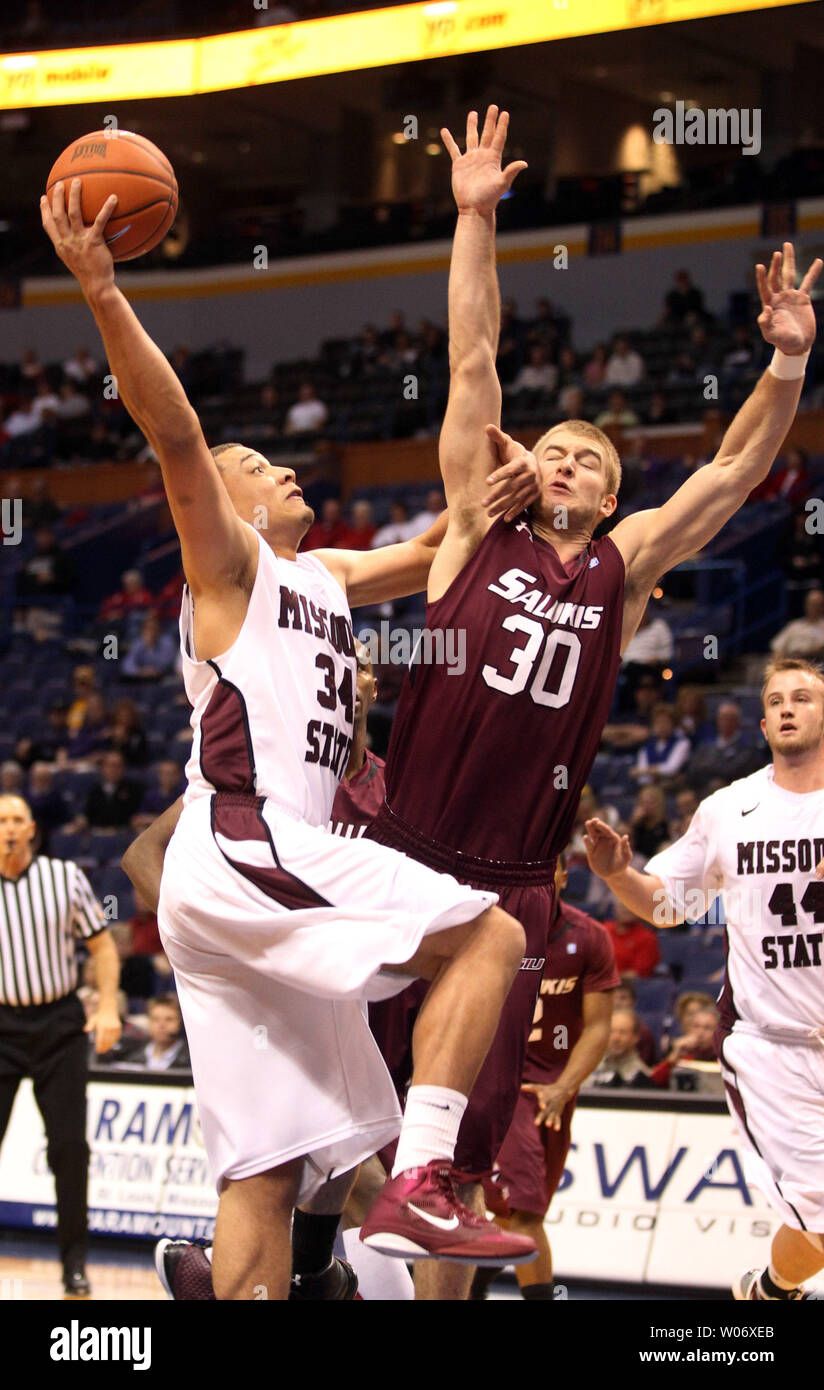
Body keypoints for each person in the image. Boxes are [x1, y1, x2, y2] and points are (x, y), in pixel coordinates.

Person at [42, 172, 542, 1299]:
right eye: (259, 467)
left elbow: (447, 542)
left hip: (244, 884)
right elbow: (172, 429)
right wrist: (105, 294)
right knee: (489, 939)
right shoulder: (227, 561)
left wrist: (500, 497)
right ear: (231, 503)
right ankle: (421, 1181)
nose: (282, 470)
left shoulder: (324, 572)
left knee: (263, 1174)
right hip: (250, 846)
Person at [363, 107, 820, 1300]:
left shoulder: (619, 575)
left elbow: (727, 472)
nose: (562, 464)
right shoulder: (470, 526)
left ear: (612, 496)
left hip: (512, 885)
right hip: (399, 852)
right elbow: (472, 358)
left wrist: (784, 360)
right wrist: (471, 218)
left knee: (449, 1181)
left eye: (590, 461)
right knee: (345, 1136)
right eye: (552, 451)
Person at [583, 656, 824, 1301]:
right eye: (775, 700)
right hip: (774, 1044)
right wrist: (615, 876)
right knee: (820, 1206)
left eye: (801, 697)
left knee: (812, 1225)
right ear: (763, 719)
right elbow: (666, 906)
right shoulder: (730, 808)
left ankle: (771, 1293)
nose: (786, 709)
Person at [471, 856, 618, 1301]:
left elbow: (597, 1027)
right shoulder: (492, 929)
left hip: (553, 1093)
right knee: (526, 1213)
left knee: (508, 1214)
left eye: (546, 869)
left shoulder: (589, 937)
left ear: (561, 876)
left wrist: (564, 1086)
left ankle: (467, 1290)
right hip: (502, 1088)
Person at [0, 794, 121, 1296]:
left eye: (16, 820)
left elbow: (102, 944)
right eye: (0, 820)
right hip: (1, 1026)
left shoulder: (63, 877)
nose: (8, 828)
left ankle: (74, 1265)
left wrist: (109, 1007)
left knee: (70, 1149)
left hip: (59, 1024)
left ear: (32, 829)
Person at [685, 700, 768, 792]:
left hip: (733, 790)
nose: (725, 722)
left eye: (730, 718)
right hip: (702, 788)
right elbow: (693, 769)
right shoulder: (705, 745)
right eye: (722, 718)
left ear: (737, 721)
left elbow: (731, 771)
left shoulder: (747, 747)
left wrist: (708, 767)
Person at [650, 1005, 718, 1088]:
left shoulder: (724, 1056)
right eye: (696, 1026)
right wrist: (673, 1058)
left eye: (707, 1028)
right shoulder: (683, 1055)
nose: (700, 1033)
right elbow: (653, 1082)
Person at [587, 1009, 652, 1087]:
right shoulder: (588, 1068)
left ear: (635, 1037)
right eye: (611, 1031)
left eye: (622, 1032)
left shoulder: (643, 1077)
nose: (616, 1038)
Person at [630, 704, 691, 786]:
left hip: (674, 786)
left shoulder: (682, 743)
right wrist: (649, 774)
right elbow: (640, 775)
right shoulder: (646, 747)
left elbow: (671, 769)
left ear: (673, 724)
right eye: (658, 722)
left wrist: (646, 771)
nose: (662, 726)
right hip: (650, 787)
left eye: (665, 722)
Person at [602, 897, 661, 977]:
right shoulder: (603, 930)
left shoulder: (647, 938)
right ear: (615, 909)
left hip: (625, 986)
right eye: (622, 906)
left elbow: (637, 974)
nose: (626, 909)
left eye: (630, 906)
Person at [771, 588, 824, 659]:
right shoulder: (794, 625)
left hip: (815, 664)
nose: (814, 608)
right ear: (806, 605)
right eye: (811, 604)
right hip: (791, 662)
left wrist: (805, 654)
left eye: (817, 605)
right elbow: (777, 647)